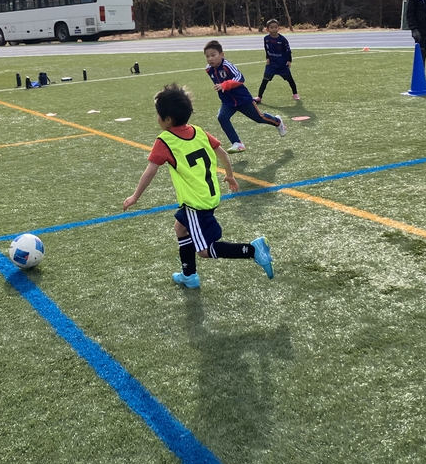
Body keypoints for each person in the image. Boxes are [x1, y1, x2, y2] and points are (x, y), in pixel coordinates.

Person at [122, 83, 274, 289]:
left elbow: (150, 171)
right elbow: (223, 153)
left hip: (196, 203)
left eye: (158, 114)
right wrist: (230, 176)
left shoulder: (165, 140)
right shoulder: (199, 131)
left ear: (168, 119)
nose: (157, 118)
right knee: (180, 227)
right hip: (209, 195)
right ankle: (189, 275)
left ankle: (253, 250)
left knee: (204, 250)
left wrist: (135, 197)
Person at [204, 39, 286, 153]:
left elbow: (240, 78)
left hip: (243, 99)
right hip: (228, 102)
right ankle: (237, 143)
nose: (210, 59)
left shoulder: (227, 65)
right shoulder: (209, 69)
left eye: (213, 55)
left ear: (222, 55)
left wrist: (225, 85)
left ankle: (278, 122)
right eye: (207, 56)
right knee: (222, 117)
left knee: (259, 118)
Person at [254, 19, 300, 103]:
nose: (274, 29)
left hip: (282, 64)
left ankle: (295, 93)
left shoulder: (283, 39)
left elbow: (288, 50)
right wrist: (267, 57)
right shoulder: (266, 38)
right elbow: (266, 49)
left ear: (278, 28)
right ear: (267, 29)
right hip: (272, 65)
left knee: (290, 79)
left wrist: (289, 60)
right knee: (265, 80)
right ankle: (259, 97)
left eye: (276, 27)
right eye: (272, 27)